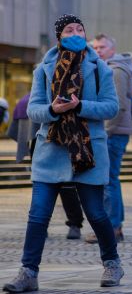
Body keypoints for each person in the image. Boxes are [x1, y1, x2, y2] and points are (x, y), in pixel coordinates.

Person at [2, 14, 122, 293]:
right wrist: (53, 110)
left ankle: (112, 263)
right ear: (59, 36)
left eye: (80, 29)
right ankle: (28, 272)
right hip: (50, 149)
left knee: (96, 213)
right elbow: (34, 110)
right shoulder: (43, 68)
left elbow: (111, 107)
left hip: (87, 150)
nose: (76, 33)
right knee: (38, 215)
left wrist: (80, 106)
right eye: (70, 29)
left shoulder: (99, 67)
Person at [8, 93, 85, 240]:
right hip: (40, 143)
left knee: (66, 185)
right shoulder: (33, 98)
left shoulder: (65, 93)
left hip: (64, 140)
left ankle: (74, 224)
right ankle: (43, 226)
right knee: (44, 186)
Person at [86, 34, 132, 243]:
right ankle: (116, 225)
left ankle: (112, 227)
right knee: (111, 180)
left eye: (102, 47)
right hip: (114, 132)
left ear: (112, 50)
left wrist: (106, 132)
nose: (98, 50)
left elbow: (119, 105)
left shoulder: (115, 71)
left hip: (113, 133)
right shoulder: (108, 68)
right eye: (95, 47)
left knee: (107, 181)